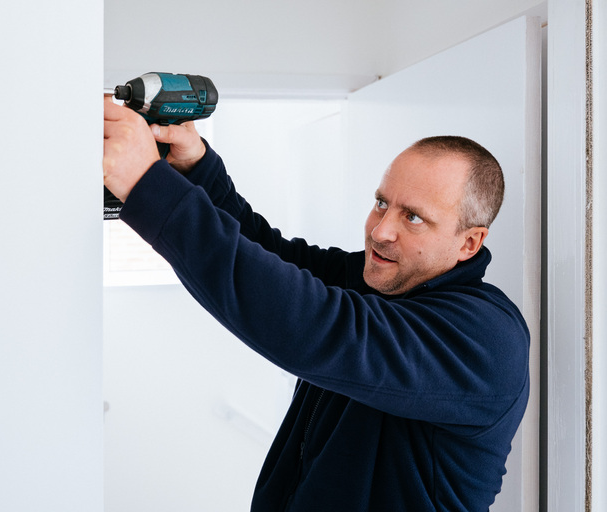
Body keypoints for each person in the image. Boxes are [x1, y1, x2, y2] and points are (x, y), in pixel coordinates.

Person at [103, 97, 529, 512]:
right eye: (382, 203)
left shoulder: (485, 338)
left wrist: (148, 185)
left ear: (469, 243)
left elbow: (309, 323)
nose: (381, 232)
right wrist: (194, 168)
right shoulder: (378, 283)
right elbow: (269, 257)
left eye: (412, 217)